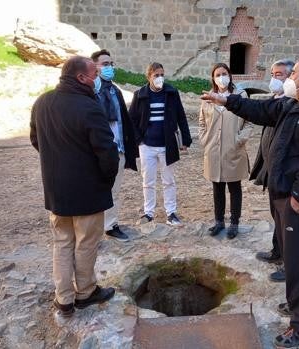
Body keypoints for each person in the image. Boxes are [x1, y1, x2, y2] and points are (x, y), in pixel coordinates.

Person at [201, 56, 299, 348]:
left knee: (297, 260)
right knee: (294, 258)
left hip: (296, 200)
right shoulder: (292, 104)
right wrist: (225, 100)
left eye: (295, 73)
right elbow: (261, 108)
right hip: (283, 193)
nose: (290, 77)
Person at [30, 56, 120, 318]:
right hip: (88, 191)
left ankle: (64, 299)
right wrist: (106, 179)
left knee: (62, 242)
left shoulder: (42, 102)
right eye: (94, 74)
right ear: (81, 78)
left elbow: (36, 139)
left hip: (56, 191)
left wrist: (57, 161)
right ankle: (85, 292)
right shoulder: (89, 107)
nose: (97, 78)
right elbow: (107, 152)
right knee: (86, 244)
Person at [129, 62, 192, 226]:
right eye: (156, 75)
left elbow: (181, 116)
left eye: (162, 74)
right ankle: (148, 213)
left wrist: (185, 139)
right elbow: (132, 120)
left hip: (167, 144)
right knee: (148, 180)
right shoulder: (140, 94)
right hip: (147, 145)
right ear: (149, 76)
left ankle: (171, 213)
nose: (160, 78)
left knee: (169, 180)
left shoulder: (171, 92)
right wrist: (138, 140)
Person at [198, 63, 252, 239]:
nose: (222, 77)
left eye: (224, 73)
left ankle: (234, 222)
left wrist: (239, 139)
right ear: (213, 78)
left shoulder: (240, 96)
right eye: (218, 74)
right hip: (213, 149)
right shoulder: (207, 98)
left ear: (229, 75)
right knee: (217, 186)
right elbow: (201, 123)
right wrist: (204, 139)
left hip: (233, 148)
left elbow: (249, 121)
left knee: (234, 187)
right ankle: (219, 221)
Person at [252, 59, 294, 281]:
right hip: (272, 172)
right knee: (276, 217)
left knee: (288, 223)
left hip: (285, 176)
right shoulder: (275, 100)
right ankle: (277, 251)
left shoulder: (292, 104)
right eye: (272, 74)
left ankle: (289, 266)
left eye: (279, 74)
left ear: (290, 77)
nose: (274, 79)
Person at [91, 49, 138, 242]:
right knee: (94, 190)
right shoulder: (90, 91)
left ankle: (110, 225)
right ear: (94, 67)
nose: (110, 67)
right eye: (105, 64)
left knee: (114, 190)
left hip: (117, 149)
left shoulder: (114, 90)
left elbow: (122, 121)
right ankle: (92, 231)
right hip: (96, 151)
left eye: (111, 64)